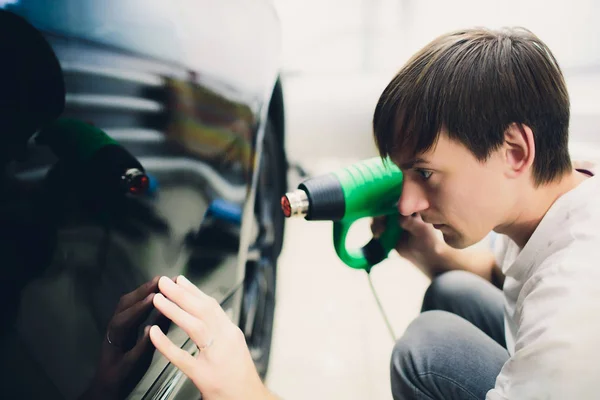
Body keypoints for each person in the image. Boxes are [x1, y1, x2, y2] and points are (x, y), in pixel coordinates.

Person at [148, 26, 600, 399]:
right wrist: (434, 257)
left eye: (425, 173)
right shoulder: (563, 182)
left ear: (515, 151)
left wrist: (247, 392)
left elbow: (555, 300)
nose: (407, 204)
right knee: (452, 292)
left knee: (424, 351)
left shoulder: (575, 301)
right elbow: (512, 278)